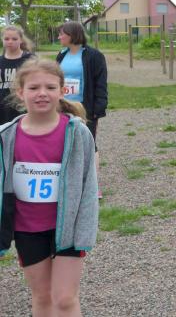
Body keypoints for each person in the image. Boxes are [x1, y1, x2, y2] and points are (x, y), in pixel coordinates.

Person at [0, 58, 99, 316]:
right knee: (42, 297)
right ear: (20, 92)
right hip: (27, 229)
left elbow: (89, 187)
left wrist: (85, 230)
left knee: (65, 299)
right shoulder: (6, 135)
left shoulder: (78, 133)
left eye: (50, 87)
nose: (42, 93)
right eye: (34, 88)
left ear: (62, 91)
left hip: (68, 228)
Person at [55, 21, 107, 198]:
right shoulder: (61, 55)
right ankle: (69, 182)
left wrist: (99, 107)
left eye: (62, 34)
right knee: (64, 142)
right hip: (62, 106)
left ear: (72, 35)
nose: (59, 37)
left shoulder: (94, 56)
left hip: (85, 108)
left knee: (89, 144)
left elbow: (101, 84)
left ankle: (93, 185)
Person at [1, 25, 34, 124]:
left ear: (21, 40)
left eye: (14, 39)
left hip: (23, 108)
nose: (10, 41)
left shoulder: (30, 59)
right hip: (2, 110)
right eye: (6, 39)